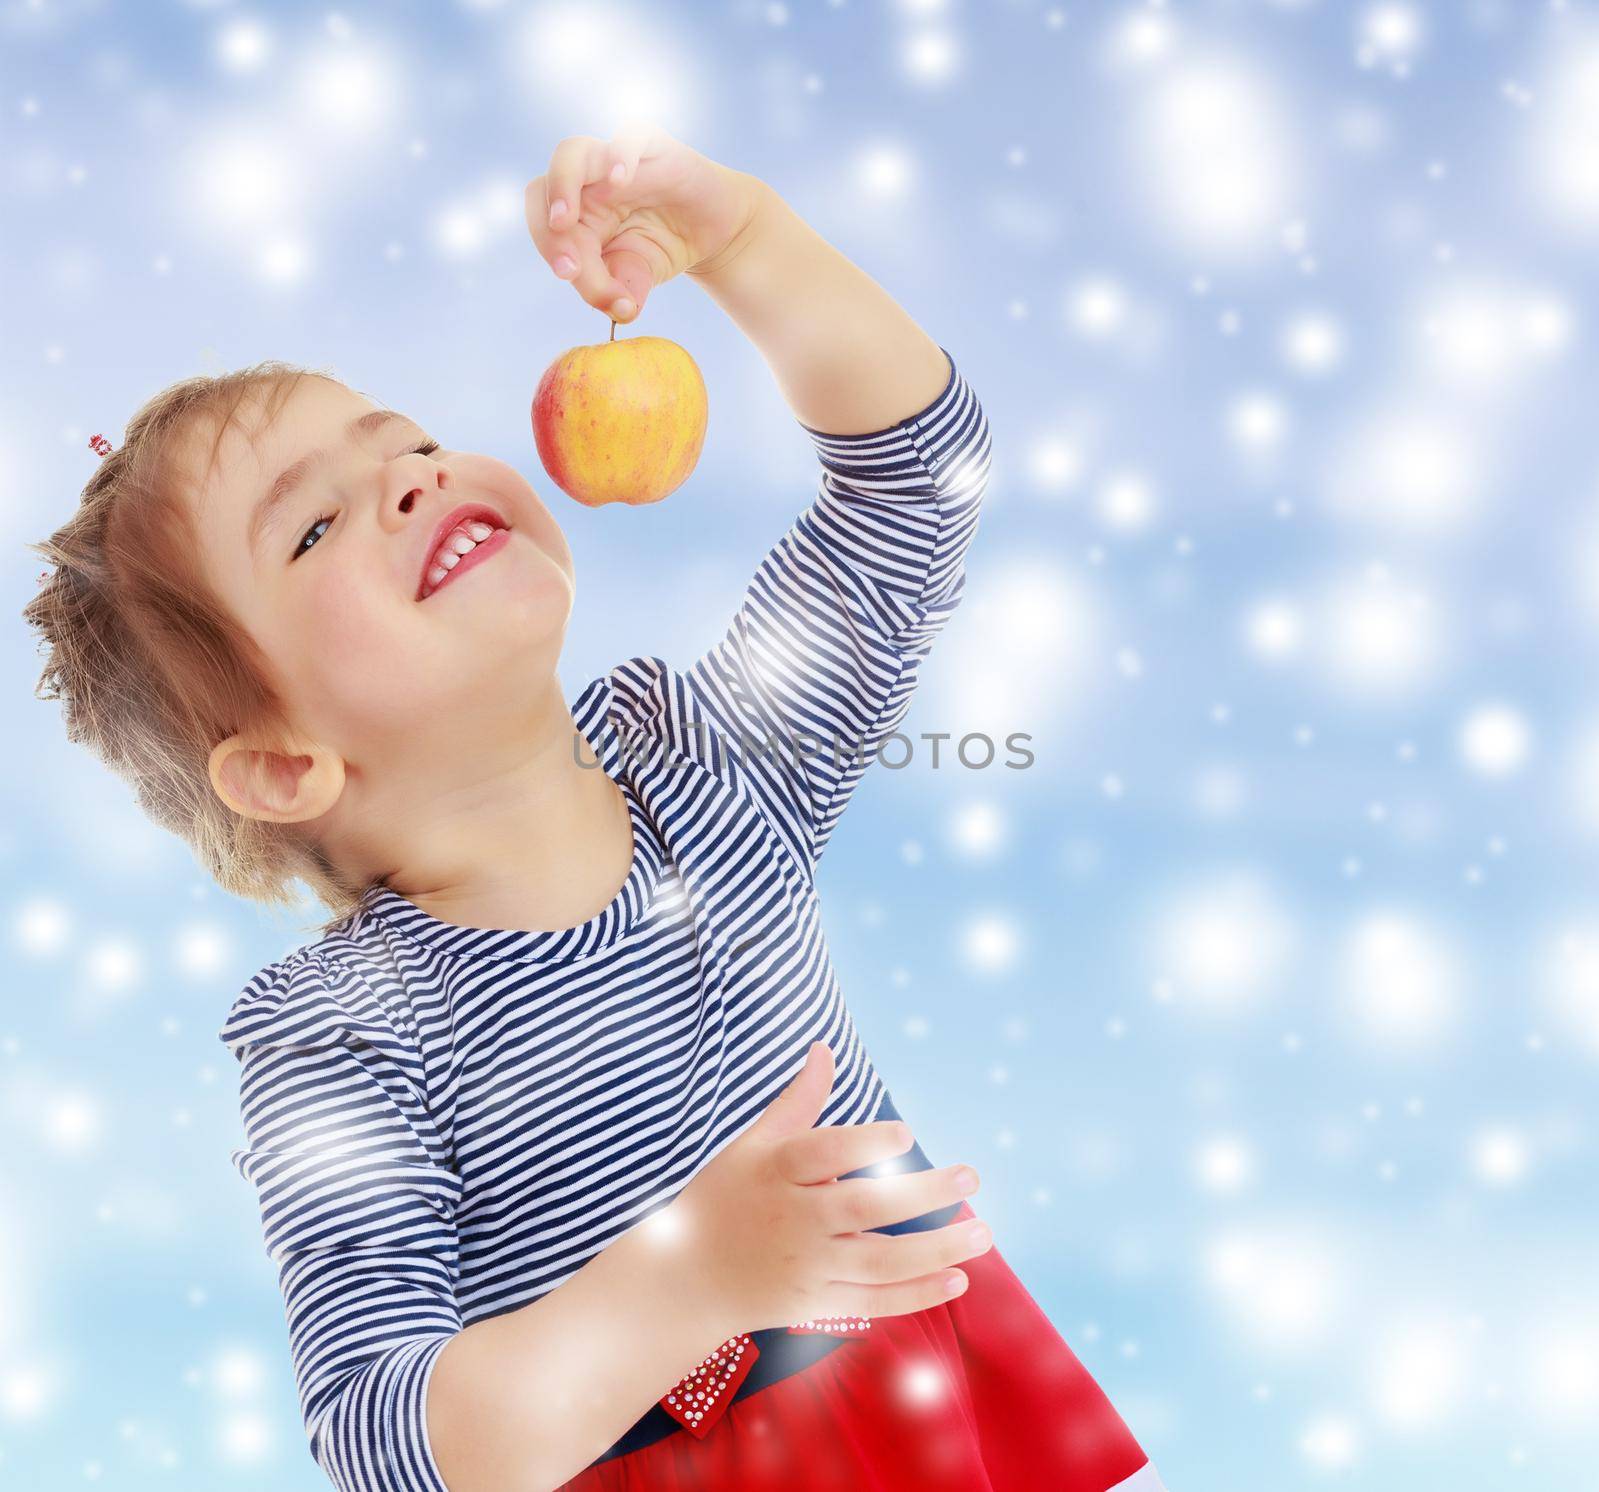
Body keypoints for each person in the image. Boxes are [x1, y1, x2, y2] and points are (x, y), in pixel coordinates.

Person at [24, 124, 1166, 1492]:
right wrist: (691, 1276)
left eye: (413, 444)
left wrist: (743, 242)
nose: (414, 477)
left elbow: (917, 482)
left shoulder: (714, 767)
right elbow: (386, 1439)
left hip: (928, 1410)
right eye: (313, 528)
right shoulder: (341, 1038)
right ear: (283, 767)